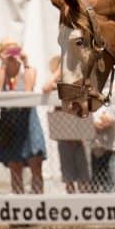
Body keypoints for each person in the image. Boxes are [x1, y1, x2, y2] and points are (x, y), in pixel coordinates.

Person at [0, 38, 46, 194]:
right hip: (9, 122)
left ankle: (38, 204)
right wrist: (3, 64)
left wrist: (25, 62)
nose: (12, 54)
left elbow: (28, 89)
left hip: (28, 120)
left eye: (15, 50)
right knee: (15, 168)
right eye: (8, 50)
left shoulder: (29, 70)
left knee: (36, 164)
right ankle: (19, 209)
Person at [44, 56, 89, 193]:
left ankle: (86, 200)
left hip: (79, 130)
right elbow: (46, 86)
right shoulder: (57, 86)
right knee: (67, 172)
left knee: (84, 173)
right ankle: (72, 198)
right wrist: (58, 74)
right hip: (63, 130)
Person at [91, 105, 115, 193]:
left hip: (110, 149)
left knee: (111, 181)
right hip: (94, 148)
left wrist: (95, 122)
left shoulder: (111, 96)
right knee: (94, 184)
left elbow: (109, 120)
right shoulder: (90, 99)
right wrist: (93, 123)